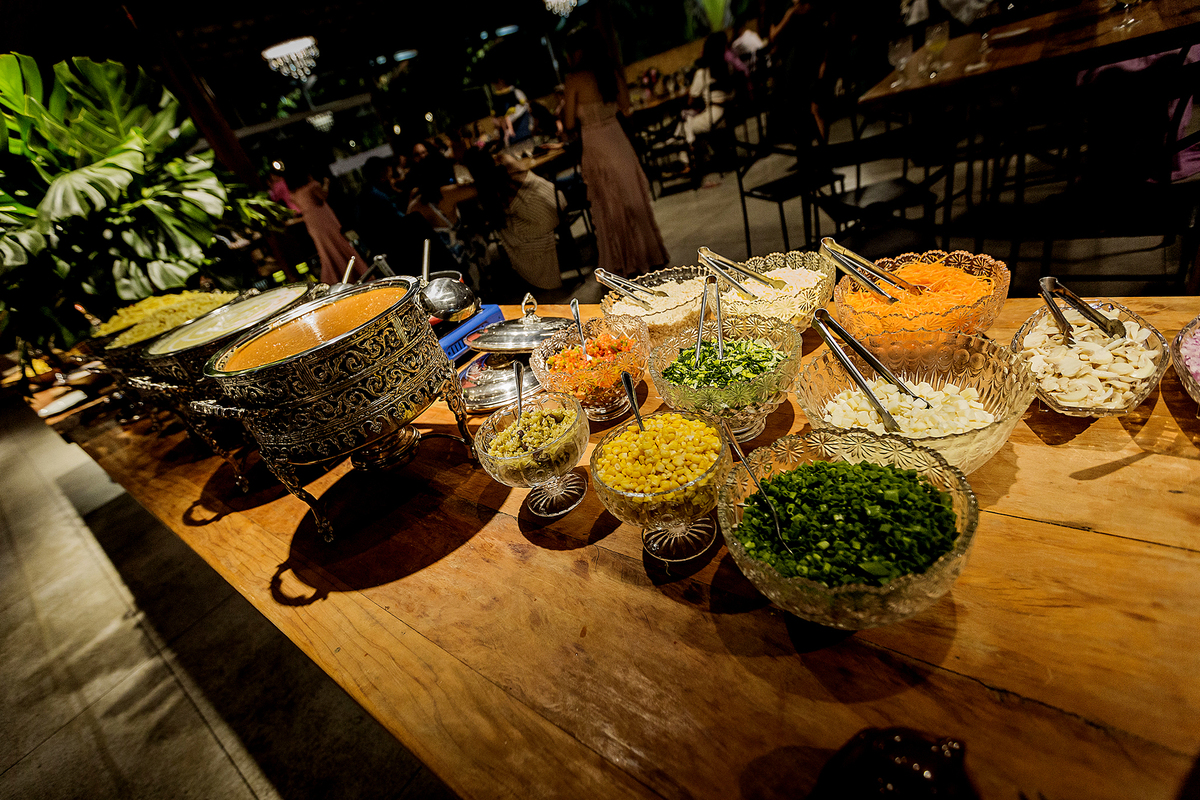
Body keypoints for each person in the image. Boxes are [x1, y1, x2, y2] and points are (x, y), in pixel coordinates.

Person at [562, 30, 669, 278]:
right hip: (617, 138)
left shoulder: (574, 79)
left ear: (578, 52)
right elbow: (626, 107)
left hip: (595, 143)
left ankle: (624, 261)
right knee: (632, 198)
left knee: (609, 205)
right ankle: (648, 255)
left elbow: (568, 123)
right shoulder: (610, 72)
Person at [462, 149, 563, 291]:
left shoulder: (491, 184)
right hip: (558, 201)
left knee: (505, 230)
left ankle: (527, 272)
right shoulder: (508, 165)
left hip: (546, 219)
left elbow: (495, 219)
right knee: (507, 221)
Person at [286, 167, 365, 284]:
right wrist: (326, 184)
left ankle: (335, 278)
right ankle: (355, 273)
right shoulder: (312, 186)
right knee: (338, 243)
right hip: (322, 217)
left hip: (311, 221)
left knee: (325, 249)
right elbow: (322, 197)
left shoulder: (294, 194)